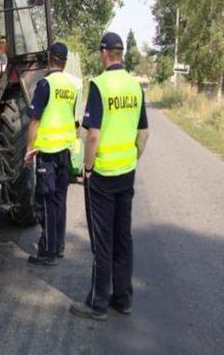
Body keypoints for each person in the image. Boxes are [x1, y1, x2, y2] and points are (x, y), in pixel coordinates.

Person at [69, 32, 149, 320]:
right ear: (121, 53)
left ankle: (98, 303)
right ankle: (123, 299)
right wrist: (132, 158)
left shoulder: (100, 86)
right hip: (126, 174)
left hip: (102, 175)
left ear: (104, 53)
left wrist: (87, 168)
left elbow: (93, 136)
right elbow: (144, 133)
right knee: (123, 237)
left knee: (102, 240)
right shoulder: (135, 87)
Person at [24, 42, 77, 266]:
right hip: (65, 151)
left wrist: (28, 150)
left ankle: (47, 251)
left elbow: (34, 121)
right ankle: (59, 245)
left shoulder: (45, 85)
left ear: (49, 59)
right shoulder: (72, 86)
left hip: (47, 152)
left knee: (45, 200)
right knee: (59, 199)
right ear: (64, 62)